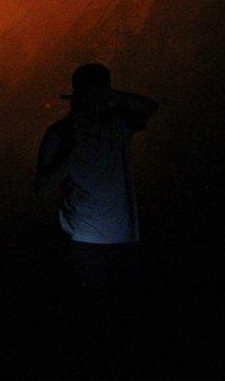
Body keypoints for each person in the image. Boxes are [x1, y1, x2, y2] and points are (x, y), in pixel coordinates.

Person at [35, 64, 157, 297]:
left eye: (97, 96)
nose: (92, 104)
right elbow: (42, 190)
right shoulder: (60, 133)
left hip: (124, 240)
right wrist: (73, 149)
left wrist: (109, 96)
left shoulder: (117, 124)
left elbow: (151, 108)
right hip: (83, 243)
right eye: (87, 96)